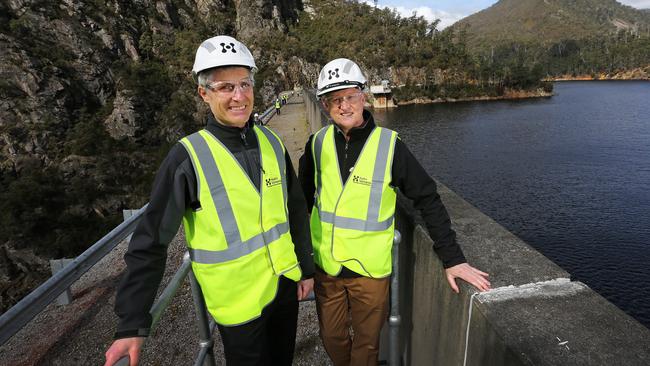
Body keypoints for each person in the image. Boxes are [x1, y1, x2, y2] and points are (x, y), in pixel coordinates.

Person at [104, 35, 314, 366]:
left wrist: (305, 267)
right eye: (225, 87)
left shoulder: (273, 142)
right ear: (204, 93)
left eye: (245, 84)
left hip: (285, 288)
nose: (239, 96)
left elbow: (296, 209)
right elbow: (150, 242)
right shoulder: (187, 158)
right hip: (238, 308)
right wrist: (132, 321)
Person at [298, 58, 491, 366]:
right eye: (335, 99)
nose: (343, 105)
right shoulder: (316, 144)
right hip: (326, 268)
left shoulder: (389, 147)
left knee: (367, 345)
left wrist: (452, 258)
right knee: (332, 338)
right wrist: (303, 262)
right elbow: (302, 201)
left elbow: (427, 198)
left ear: (364, 96)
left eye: (349, 96)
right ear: (323, 104)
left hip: (370, 272)